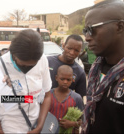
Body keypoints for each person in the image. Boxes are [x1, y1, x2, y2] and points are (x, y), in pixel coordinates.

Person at [0, 29, 52, 133]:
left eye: (32, 66)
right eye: (22, 65)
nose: (26, 69)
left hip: (36, 125)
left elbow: (47, 95)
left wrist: (39, 127)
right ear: (13, 53)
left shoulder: (42, 60)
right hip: (9, 127)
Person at [82, 0, 124, 133]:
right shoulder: (95, 71)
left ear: (120, 27)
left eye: (91, 29)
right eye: (85, 31)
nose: (87, 38)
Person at [49, 65, 84, 134]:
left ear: (72, 79)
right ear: (56, 78)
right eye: (62, 79)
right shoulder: (48, 95)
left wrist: (72, 124)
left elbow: (83, 120)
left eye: (68, 80)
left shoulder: (76, 98)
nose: (65, 82)